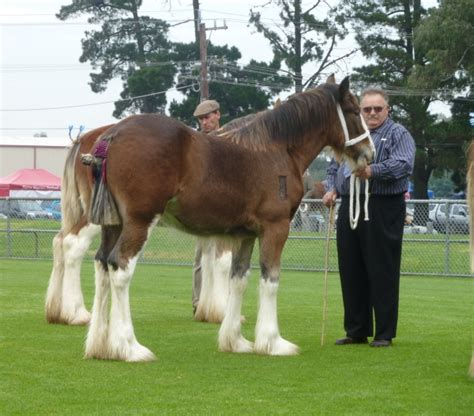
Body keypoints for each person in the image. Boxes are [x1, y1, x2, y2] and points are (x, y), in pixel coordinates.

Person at [323, 87, 415, 347]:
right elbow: (334, 165)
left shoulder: (398, 134)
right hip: (349, 205)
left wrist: (374, 171)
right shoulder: (350, 134)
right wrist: (331, 188)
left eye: (378, 108)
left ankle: (384, 333)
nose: (372, 113)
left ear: (387, 109)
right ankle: (357, 329)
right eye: (367, 109)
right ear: (360, 110)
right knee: (351, 269)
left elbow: (404, 164)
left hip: (381, 205)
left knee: (381, 268)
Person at [192, 99, 222, 314]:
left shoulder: (230, 138)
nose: (204, 122)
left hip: (227, 205)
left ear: (217, 115)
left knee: (225, 257)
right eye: (201, 119)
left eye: (207, 117)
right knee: (202, 256)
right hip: (204, 205)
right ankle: (198, 303)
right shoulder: (197, 142)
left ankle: (224, 302)